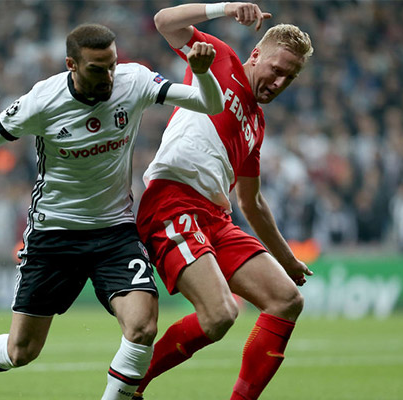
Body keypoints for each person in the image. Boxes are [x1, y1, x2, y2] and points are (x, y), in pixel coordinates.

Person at [0, 23, 224, 400]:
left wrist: (202, 74)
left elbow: (211, 104)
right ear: (71, 65)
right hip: (54, 234)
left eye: (112, 65)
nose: (108, 77)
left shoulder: (134, 81)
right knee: (22, 350)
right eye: (97, 69)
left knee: (142, 326)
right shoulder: (42, 102)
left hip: (114, 231)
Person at [133, 3, 314, 400]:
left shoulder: (256, 124)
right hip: (172, 202)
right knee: (220, 314)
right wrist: (226, 8)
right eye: (276, 69)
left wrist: (287, 259)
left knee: (286, 300)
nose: (280, 82)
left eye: (290, 77)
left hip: (216, 218)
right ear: (256, 54)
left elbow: (252, 202)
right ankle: (131, 385)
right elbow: (164, 22)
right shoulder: (221, 61)